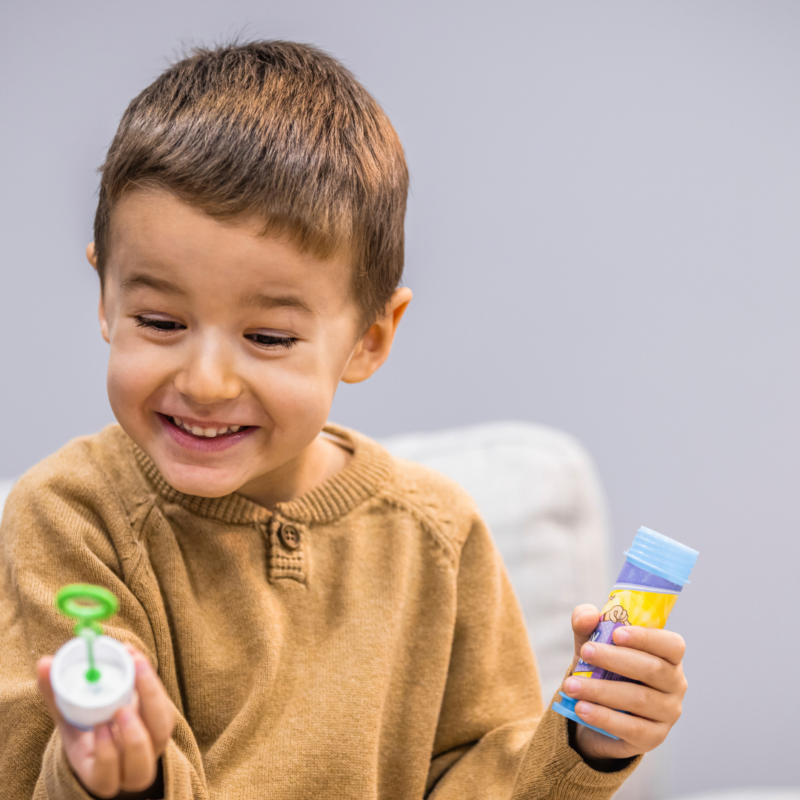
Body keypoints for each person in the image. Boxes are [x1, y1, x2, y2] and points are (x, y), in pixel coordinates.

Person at [0, 41, 688, 800]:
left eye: (266, 337)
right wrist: (117, 780)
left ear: (370, 337)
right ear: (105, 299)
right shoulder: (66, 517)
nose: (203, 381)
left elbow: (480, 773)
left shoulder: (439, 537)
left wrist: (587, 743)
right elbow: (28, 770)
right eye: (160, 321)